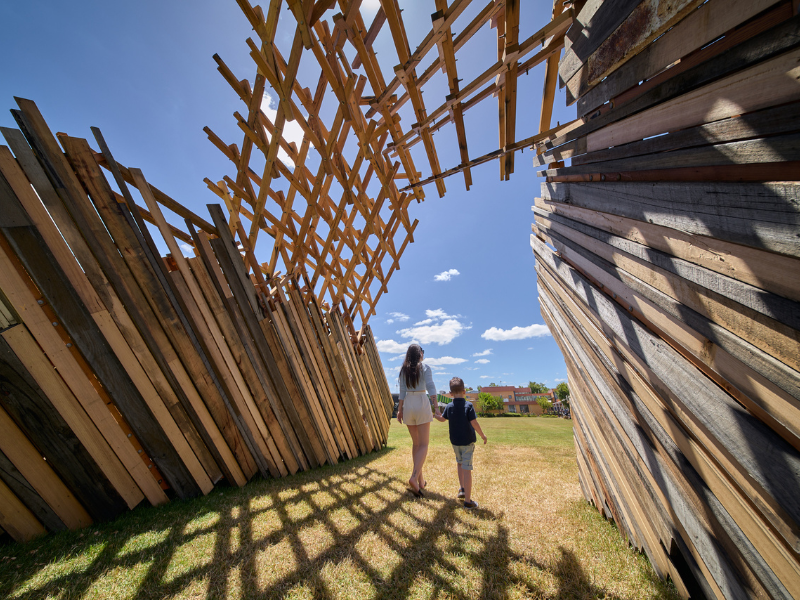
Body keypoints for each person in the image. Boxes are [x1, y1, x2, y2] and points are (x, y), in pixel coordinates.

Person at [434, 376, 487, 509]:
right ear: (464, 391)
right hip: (467, 442)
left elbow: (443, 419)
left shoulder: (449, 406)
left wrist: (436, 415)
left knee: (459, 463)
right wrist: (482, 435)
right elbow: (474, 422)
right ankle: (468, 501)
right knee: (467, 469)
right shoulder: (468, 405)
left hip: (455, 442)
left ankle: (462, 488)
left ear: (451, 393)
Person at [397, 343, 440, 497]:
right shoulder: (425, 367)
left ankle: (421, 481)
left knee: (416, 444)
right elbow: (431, 387)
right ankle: (414, 477)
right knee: (424, 444)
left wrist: (399, 410)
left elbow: (401, 391)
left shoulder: (403, 370)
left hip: (408, 403)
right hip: (421, 401)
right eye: (422, 352)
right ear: (420, 353)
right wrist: (436, 407)